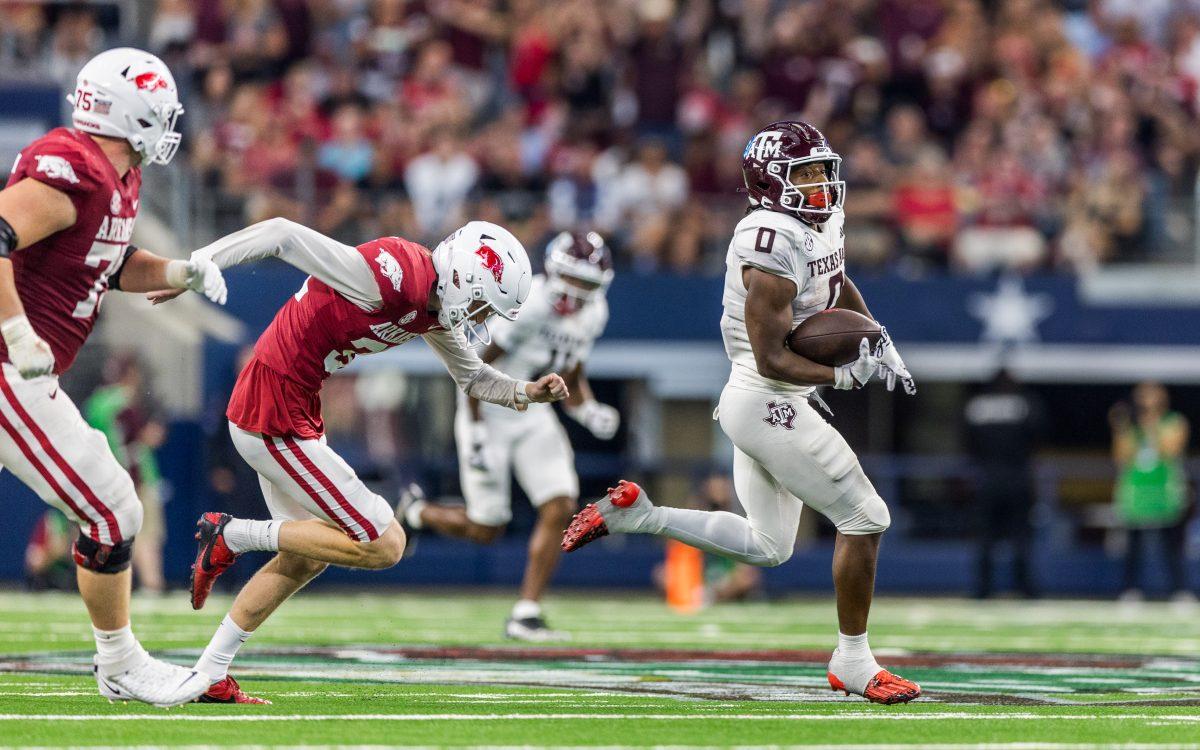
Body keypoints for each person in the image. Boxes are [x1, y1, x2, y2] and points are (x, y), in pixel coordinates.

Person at [563, 121, 922, 705]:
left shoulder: (819, 221)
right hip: (765, 398)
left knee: (768, 547)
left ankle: (640, 516)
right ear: (769, 183)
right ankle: (853, 661)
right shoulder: (767, 241)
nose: (820, 185)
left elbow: (835, 281)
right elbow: (773, 357)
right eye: (804, 175)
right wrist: (841, 374)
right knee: (866, 516)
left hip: (768, 400)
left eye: (821, 170)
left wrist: (876, 336)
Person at [165, 218, 569, 703]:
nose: (481, 316)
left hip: (293, 407)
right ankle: (231, 534)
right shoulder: (392, 274)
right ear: (464, 278)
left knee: (306, 555)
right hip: (270, 410)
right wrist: (200, 262)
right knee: (386, 543)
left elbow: (475, 379)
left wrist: (528, 391)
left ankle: (210, 672)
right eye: (483, 302)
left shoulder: (434, 306)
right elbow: (281, 234)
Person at [0, 47, 227, 707]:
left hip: (22, 368)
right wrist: (16, 330)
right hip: (8, 366)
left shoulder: (116, 176)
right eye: (161, 114)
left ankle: (120, 662)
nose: (169, 127)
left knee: (111, 507)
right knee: (111, 506)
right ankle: (121, 663)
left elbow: (111, 261)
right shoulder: (74, 167)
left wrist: (179, 271)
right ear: (130, 112)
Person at [399, 230, 617, 641]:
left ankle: (527, 612)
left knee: (560, 504)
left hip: (533, 413)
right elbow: (475, 370)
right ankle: (417, 512)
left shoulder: (594, 314)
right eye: (573, 279)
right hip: (491, 410)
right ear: (553, 271)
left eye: (588, 284)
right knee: (487, 528)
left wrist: (587, 410)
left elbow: (571, 371)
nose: (578, 291)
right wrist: (477, 428)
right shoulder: (530, 305)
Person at [85, 354, 168, 595]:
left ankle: (102, 587)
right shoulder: (128, 401)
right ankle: (152, 583)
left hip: (106, 480)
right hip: (137, 476)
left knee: (108, 535)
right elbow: (141, 439)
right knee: (147, 534)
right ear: (130, 374)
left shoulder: (96, 403)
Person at [963, 368, 1044, 599]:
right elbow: (1039, 434)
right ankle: (1025, 588)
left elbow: (968, 442)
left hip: (987, 477)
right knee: (1021, 535)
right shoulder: (1026, 403)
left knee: (984, 536)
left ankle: (982, 589)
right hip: (1018, 476)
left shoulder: (977, 406)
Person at [1109, 382, 1193, 601]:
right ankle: (1130, 589)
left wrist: (1150, 423)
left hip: (1164, 489)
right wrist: (1122, 428)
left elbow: (1170, 449)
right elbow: (1120, 456)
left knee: (1171, 544)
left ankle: (1179, 590)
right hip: (1137, 490)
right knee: (1133, 545)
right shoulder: (1131, 426)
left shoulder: (1174, 421)